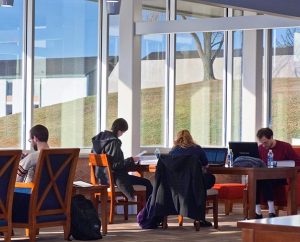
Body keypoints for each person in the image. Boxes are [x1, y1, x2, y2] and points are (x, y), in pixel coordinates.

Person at [92, 118, 153, 201]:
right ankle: (147, 212)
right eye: (123, 132)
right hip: (115, 179)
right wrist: (131, 160)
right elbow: (115, 165)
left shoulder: (99, 140)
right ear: (120, 131)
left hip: (101, 178)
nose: (122, 134)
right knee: (147, 183)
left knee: (140, 181)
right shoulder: (114, 142)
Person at [169, 130, 216, 227]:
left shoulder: (173, 151)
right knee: (210, 179)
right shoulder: (197, 149)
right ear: (190, 137)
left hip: (177, 185)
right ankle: (200, 218)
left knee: (199, 184)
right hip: (195, 184)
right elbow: (205, 164)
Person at [255, 127, 300, 219]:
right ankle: (257, 210)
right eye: (261, 143)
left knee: (265, 179)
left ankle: (271, 210)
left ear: (271, 137)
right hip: (265, 175)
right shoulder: (260, 148)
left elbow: (298, 162)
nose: (263, 145)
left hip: (281, 176)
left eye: (265, 142)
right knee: (255, 180)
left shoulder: (285, 146)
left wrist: (285, 165)